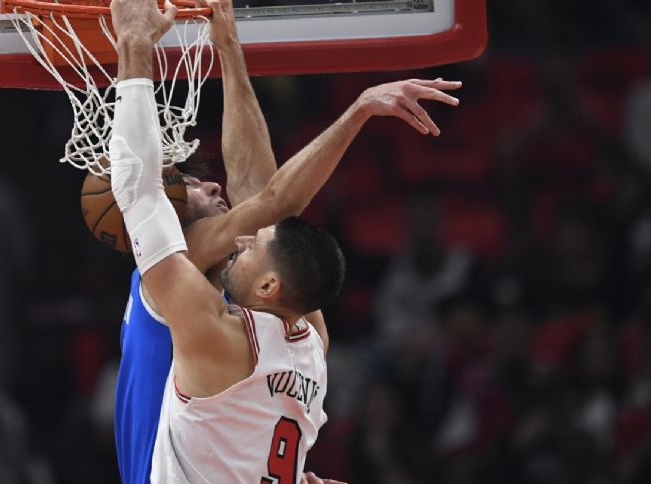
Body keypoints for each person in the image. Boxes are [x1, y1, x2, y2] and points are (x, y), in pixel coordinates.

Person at [108, 0, 462, 481]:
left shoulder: (222, 325)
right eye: (190, 184)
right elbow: (268, 200)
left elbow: (257, 200)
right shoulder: (304, 337)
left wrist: (134, 44)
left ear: (270, 286)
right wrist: (229, 51)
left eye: (253, 245)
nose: (241, 238)